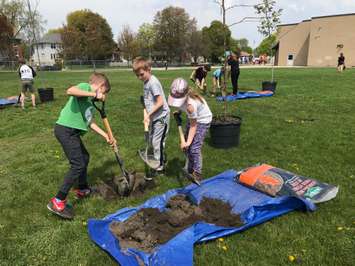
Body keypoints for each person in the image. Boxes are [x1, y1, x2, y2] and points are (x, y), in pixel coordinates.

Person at [47, 72, 115, 217]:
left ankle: (82, 189)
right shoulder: (86, 88)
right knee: (77, 164)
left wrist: (106, 135)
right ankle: (58, 200)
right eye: (103, 92)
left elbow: (89, 122)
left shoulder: (88, 101)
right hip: (65, 130)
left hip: (72, 132)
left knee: (84, 157)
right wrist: (94, 94)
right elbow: (70, 91)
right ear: (100, 86)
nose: (103, 96)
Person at [168, 78, 212, 182]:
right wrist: (178, 112)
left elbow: (194, 126)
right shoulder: (183, 99)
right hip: (193, 118)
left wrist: (187, 142)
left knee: (194, 148)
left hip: (202, 121)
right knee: (188, 148)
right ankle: (189, 167)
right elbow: (180, 104)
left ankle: (197, 173)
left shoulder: (190, 106)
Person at [133, 57, 170, 172]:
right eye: (137, 75)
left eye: (141, 74)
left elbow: (160, 102)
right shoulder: (146, 82)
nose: (139, 77)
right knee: (153, 138)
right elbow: (148, 100)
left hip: (161, 117)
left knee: (157, 141)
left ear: (149, 69)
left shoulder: (153, 83)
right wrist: (147, 114)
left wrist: (149, 114)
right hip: (155, 116)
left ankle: (159, 164)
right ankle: (157, 157)